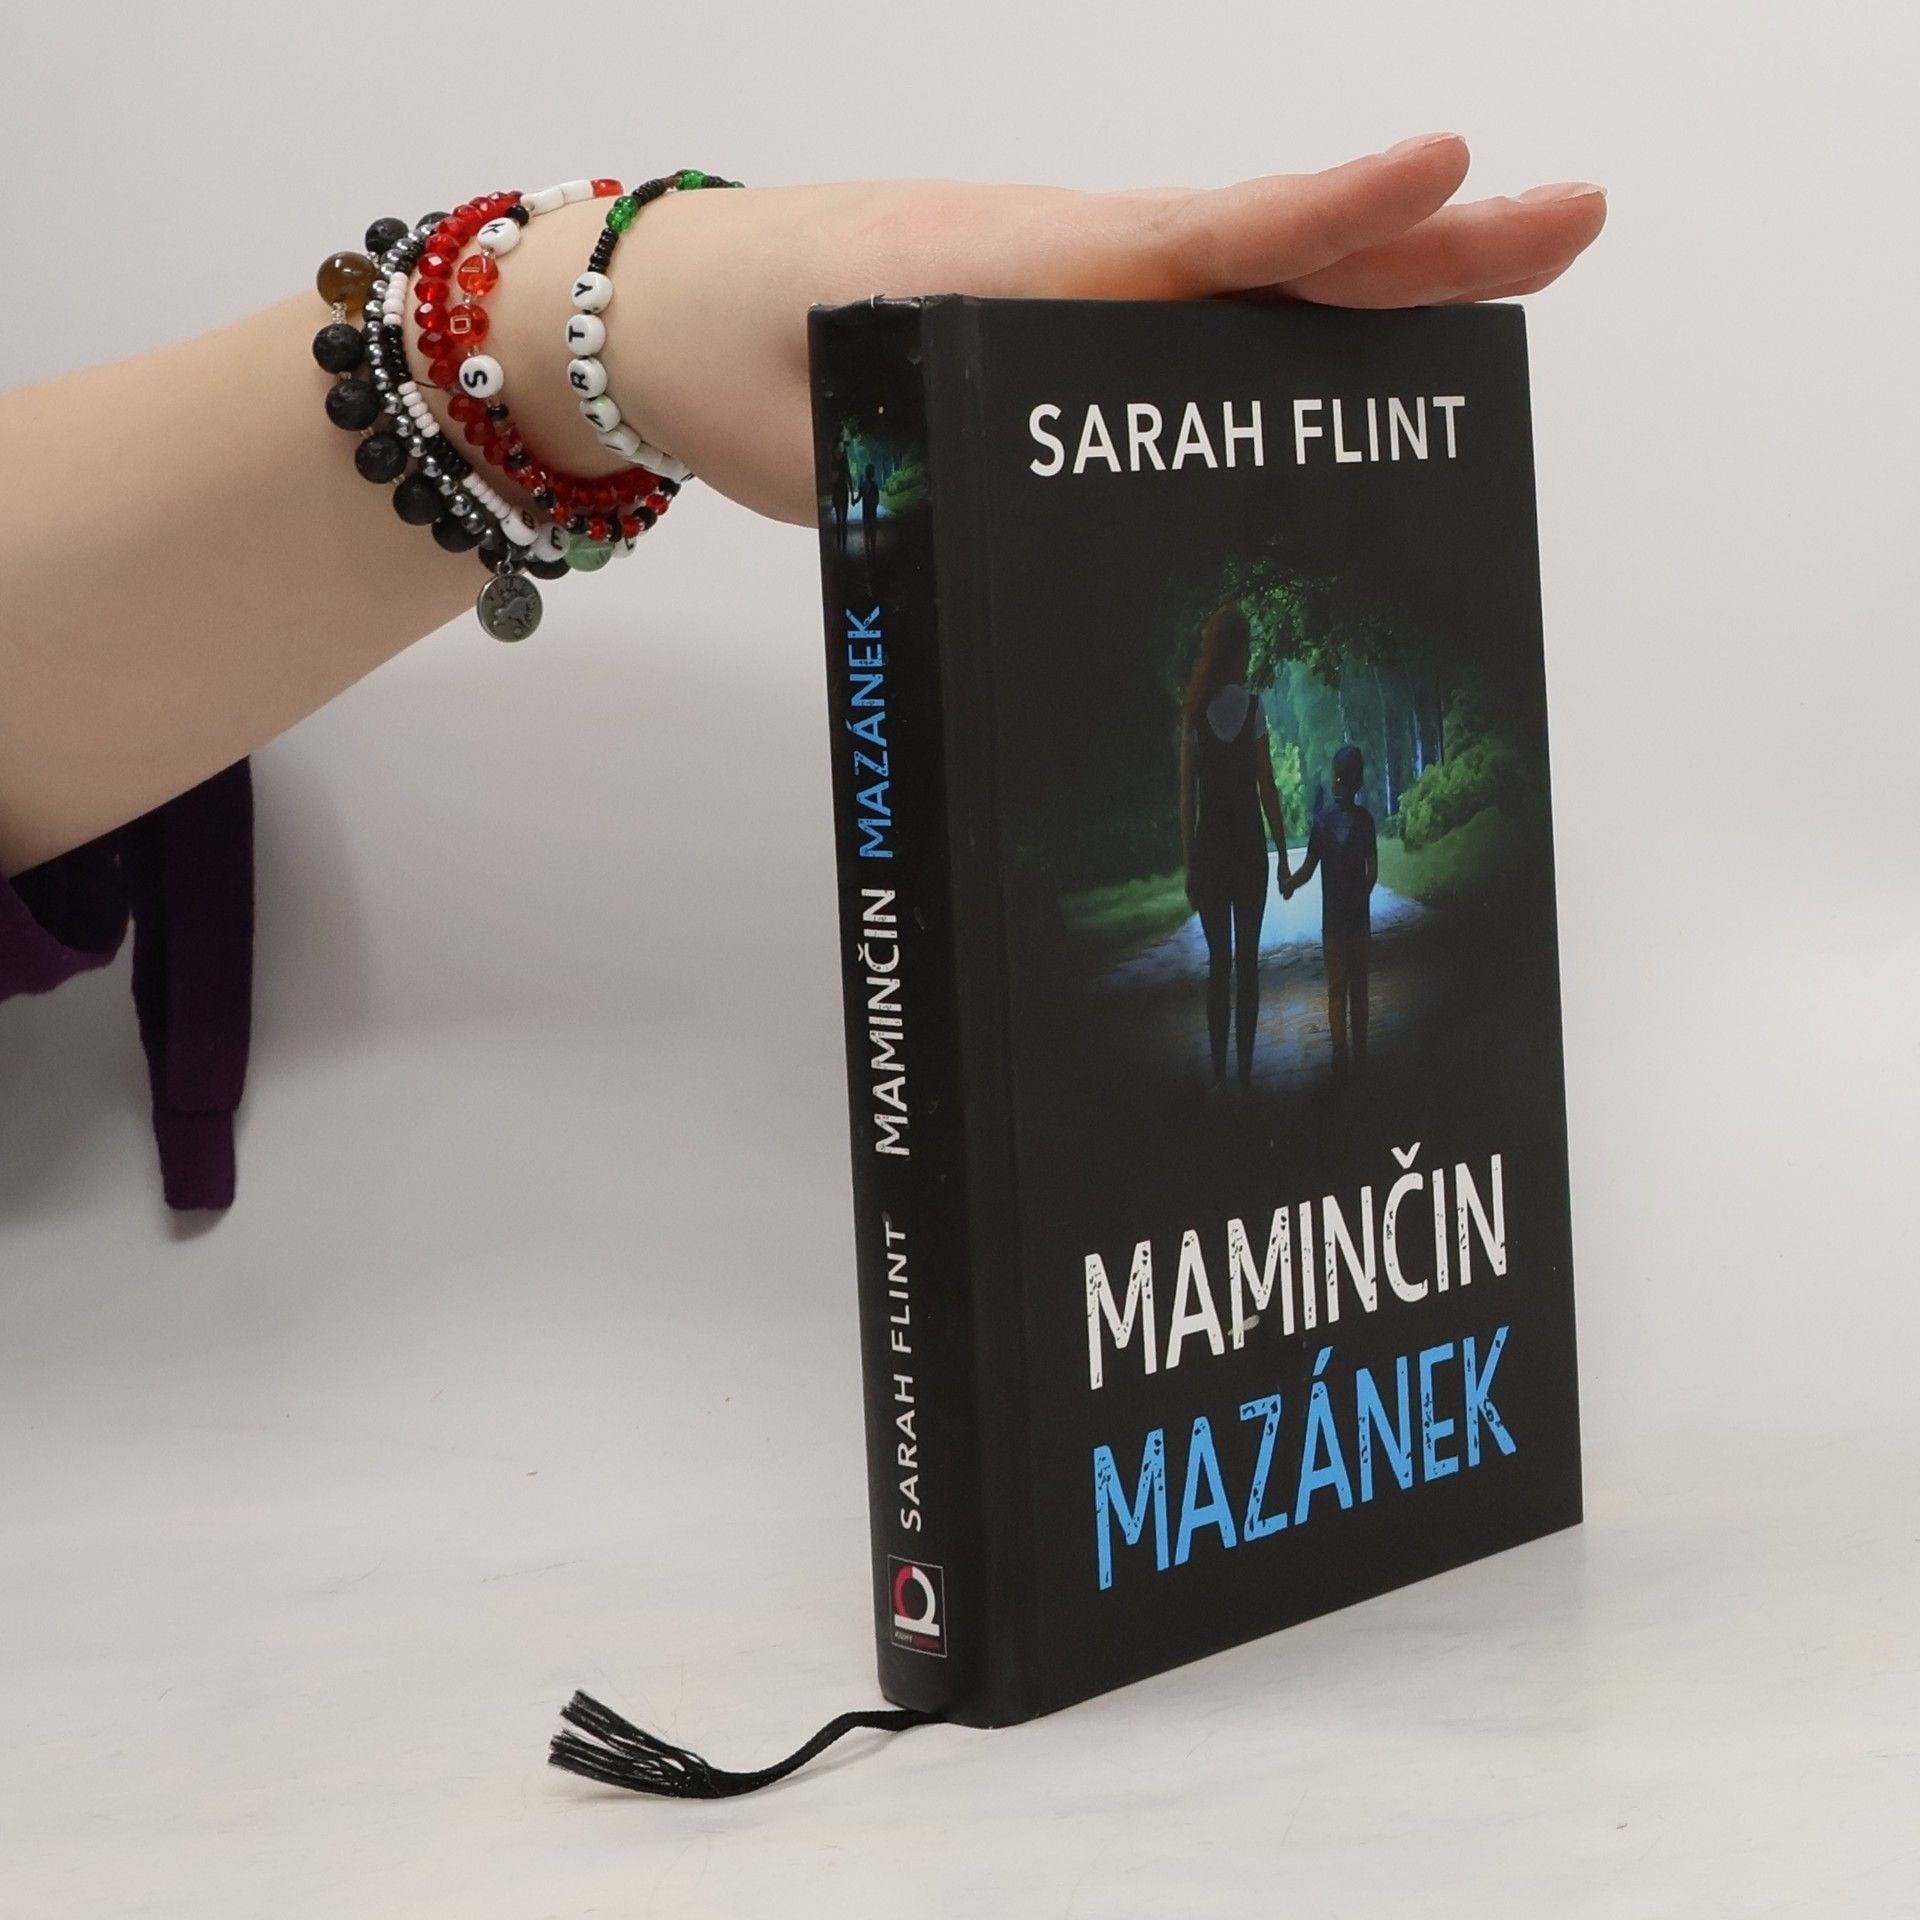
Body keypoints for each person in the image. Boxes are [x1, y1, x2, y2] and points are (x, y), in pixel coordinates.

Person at [0, 141, 1605, 1205]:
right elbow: (1216, 777)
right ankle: (1263, 1061)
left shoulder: (1210, 712)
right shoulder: (1221, 721)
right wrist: (588, 332)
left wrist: (606, 329)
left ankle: (1245, 1060)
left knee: (1250, 973)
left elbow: (1209, 773)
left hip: (1226, 855)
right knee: (1272, 971)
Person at [1180, 606, 1291, 1092]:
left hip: (1210, 847)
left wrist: (1189, 862)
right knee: (1247, 963)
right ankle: (1245, 1074)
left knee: (1218, 964)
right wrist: (1282, 852)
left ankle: (1219, 1073)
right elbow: (1267, 785)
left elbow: (1187, 796)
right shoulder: (1254, 708)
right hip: (1247, 846)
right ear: (1238, 650)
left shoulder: (1194, 714)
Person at [1282, 742, 1378, 1077]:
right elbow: (1372, 873)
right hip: (1359, 921)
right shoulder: (1366, 822)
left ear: (1337, 779)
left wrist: (1290, 884)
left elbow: (1309, 869)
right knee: (1359, 987)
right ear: (1359, 782)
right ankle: (1361, 1050)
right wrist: (1360, 896)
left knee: (1336, 988)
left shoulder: (1322, 822)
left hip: (1333, 922)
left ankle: (1340, 1052)